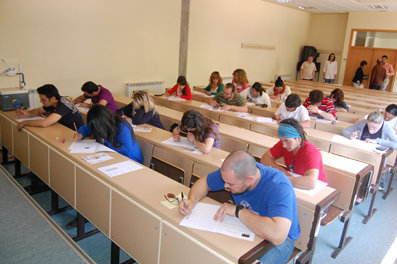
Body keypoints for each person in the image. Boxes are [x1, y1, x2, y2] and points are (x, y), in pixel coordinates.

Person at [178, 150, 300, 263]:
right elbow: (204, 182)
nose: (225, 185)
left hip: (279, 241)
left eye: (230, 184)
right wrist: (192, 201)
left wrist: (239, 212)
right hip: (246, 228)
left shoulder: (279, 186)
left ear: (249, 180)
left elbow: (278, 235)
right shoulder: (233, 174)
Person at [261, 118, 327, 190]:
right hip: (296, 184)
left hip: (317, 192)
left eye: (287, 141)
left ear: (299, 139)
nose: (284, 145)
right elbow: (265, 158)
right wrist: (281, 171)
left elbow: (311, 182)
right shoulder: (284, 143)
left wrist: (283, 178)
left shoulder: (311, 151)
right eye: (281, 140)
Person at [74, 104, 143, 163]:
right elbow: (85, 128)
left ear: (103, 122)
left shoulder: (122, 127)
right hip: (112, 155)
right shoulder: (100, 123)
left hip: (131, 159)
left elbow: (126, 150)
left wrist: (106, 141)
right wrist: (81, 134)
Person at [16, 84, 84, 131]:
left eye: (43, 99)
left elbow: (45, 123)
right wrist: (27, 114)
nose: (41, 101)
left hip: (75, 134)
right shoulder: (54, 102)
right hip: (62, 129)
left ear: (53, 99)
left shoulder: (63, 106)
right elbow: (38, 111)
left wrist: (24, 122)